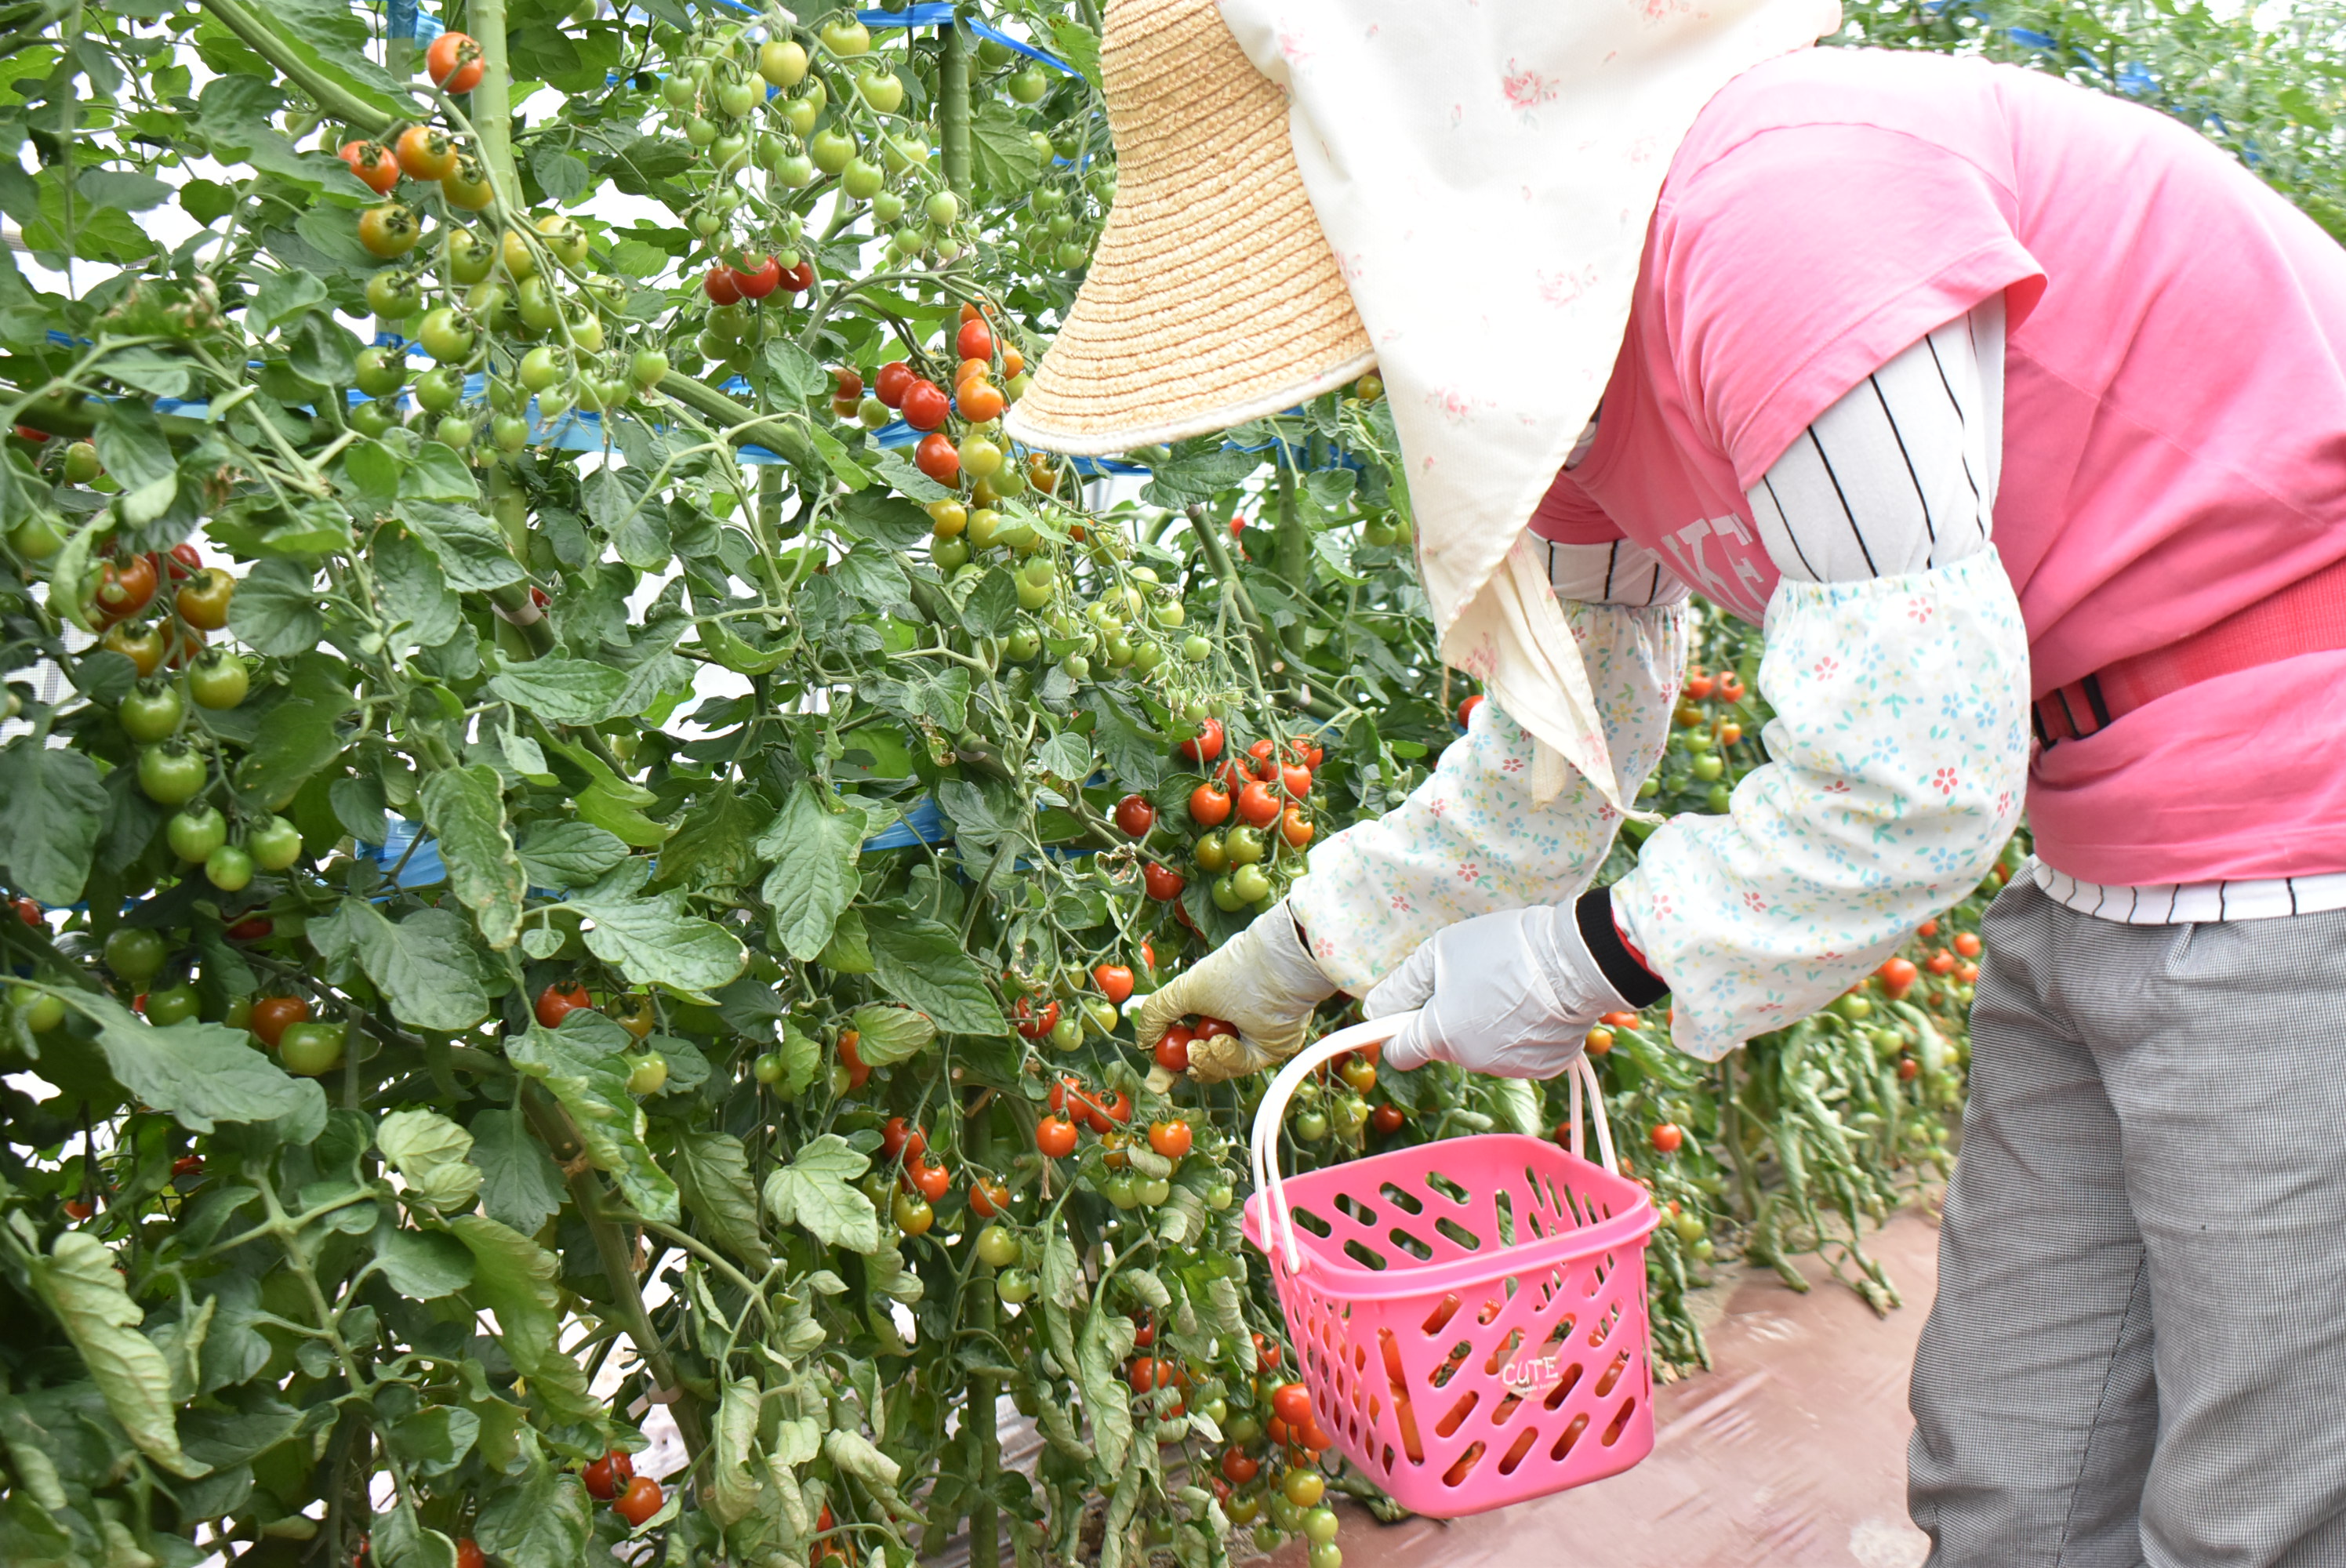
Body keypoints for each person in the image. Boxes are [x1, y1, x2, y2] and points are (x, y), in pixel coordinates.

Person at [1005, 0, 2346, 1562]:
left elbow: (1913, 775)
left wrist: (1588, 961)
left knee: (2253, 1510)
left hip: (2298, 848)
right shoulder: (1567, 365)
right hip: (2101, 858)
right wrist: (1300, 953)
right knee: (2010, 1478)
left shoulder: (1779, 215)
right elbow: (1558, 758)